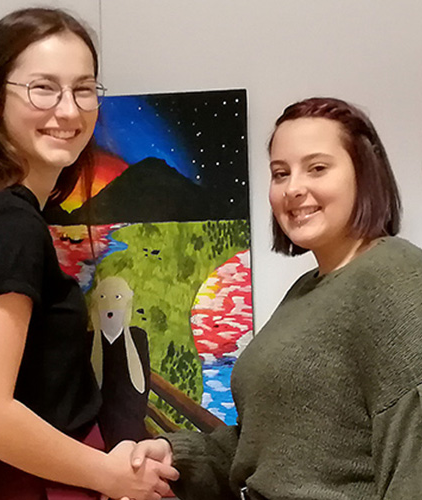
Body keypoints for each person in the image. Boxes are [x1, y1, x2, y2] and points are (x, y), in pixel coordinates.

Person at [0, 7, 178, 500]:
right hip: (33, 485)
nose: (69, 111)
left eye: (83, 89)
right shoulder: (8, 224)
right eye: (43, 88)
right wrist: (110, 475)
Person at [129, 97, 422, 499]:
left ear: (364, 173)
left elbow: (413, 458)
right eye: (280, 173)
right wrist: (175, 456)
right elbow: (265, 448)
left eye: (317, 168)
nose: (293, 189)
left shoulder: (397, 277)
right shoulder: (306, 289)